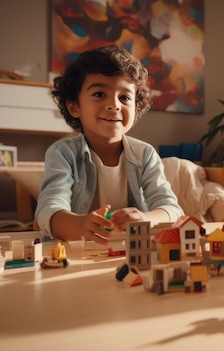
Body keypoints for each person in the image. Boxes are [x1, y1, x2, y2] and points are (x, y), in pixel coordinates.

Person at [35, 46, 183, 245]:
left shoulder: (145, 154)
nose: (114, 105)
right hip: (75, 253)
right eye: (99, 94)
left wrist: (146, 218)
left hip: (129, 252)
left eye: (124, 97)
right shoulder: (62, 153)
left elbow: (172, 210)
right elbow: (48, 210)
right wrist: (80, 226)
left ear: (136, 107)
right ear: (74, 106)